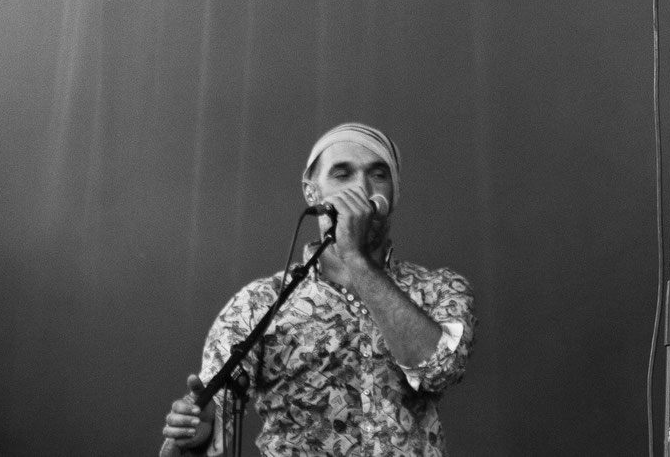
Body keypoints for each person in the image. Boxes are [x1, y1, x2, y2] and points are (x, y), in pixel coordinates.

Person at [157, 122, 474, 457]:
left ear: (394, 193)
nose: (361, 188)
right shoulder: (260, 303)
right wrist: (200, 433)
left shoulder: (440, 289)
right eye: (342, 174)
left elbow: (439, 369)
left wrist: (355, 257)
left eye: (378, 174)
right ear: (312, 192)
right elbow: (213, 412)